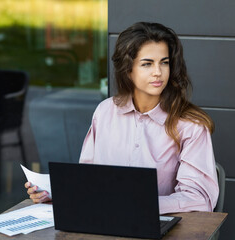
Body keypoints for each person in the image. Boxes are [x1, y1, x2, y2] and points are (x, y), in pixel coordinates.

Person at [25, 22, 219, 214]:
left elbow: (199, 199)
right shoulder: (105, 112)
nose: (158, 72)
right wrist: (56, 193)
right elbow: (87, 180)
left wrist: (138, 204)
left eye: (164, 62)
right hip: (103, 221)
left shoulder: (191, 125)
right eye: (147, 64)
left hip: (157, 227)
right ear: (128, 69)